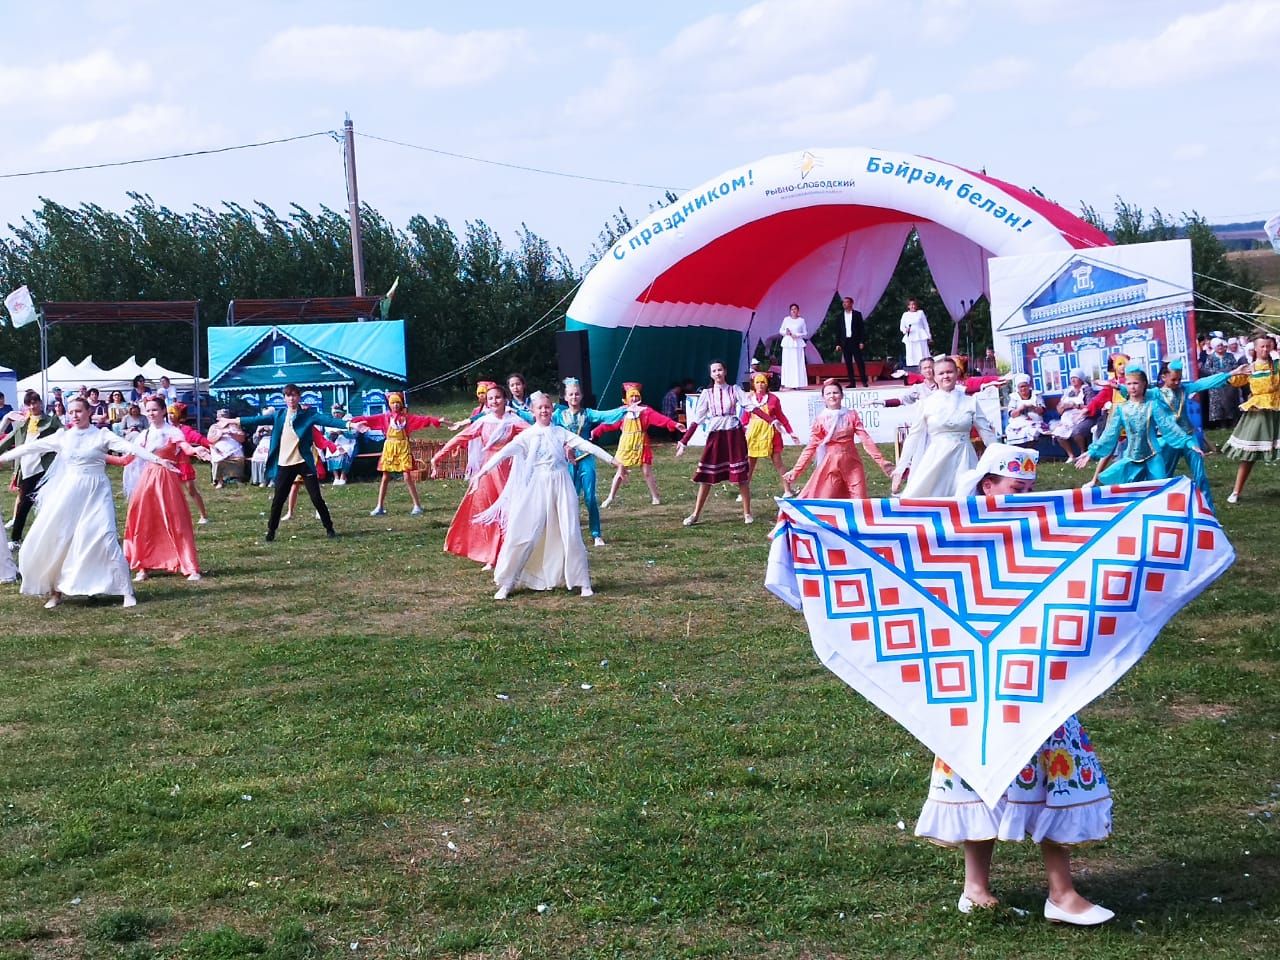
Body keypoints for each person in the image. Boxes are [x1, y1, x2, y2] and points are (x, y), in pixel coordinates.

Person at [915, 443, 1115, 927]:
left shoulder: (1043, 529)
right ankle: (975, 887)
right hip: (980, 680)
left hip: (1039, 673)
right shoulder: (955, 534)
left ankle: (1062, 892)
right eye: (1015, 488)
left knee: (1057, 772)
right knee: (981, 773)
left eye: (1030, 489)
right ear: (988, 486)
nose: (1025, 497)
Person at [0, 396, 179, 608]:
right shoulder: (62, 437)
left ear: (89, 412)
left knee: (106, 537)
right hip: (69, 492)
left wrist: (158, 460)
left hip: (97, 491)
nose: (75, 415)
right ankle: (56, 592)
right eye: (72, 411)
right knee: (61, 539)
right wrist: (3, 457)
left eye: (79, 411)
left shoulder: (101, 435)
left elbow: (129, 447)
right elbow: (30, 448)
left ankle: (126, 591)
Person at [473, 392, 618, 600]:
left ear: (552, 410)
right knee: (525, 532)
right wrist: (481, 473)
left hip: (562, 485)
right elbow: (502, 454)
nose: (544, 411)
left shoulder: (560, 432)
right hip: (538, 486)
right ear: (532, 411)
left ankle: (583, 581)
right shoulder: (527, 436)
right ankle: (508, 582)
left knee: (570, 531)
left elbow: (586, 446)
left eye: (547, 407)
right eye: (540, 408)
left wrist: (613, 461)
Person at [219, 384, 350, 541]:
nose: (291, 398)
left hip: (304, 462)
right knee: (278, 499)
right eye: (288, 395)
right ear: (284, 398)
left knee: (316, 498)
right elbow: (256, 419)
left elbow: (328, 420)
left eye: (294, 395)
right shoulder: (279, 415)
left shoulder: (307, 415)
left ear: (299, 397)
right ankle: (271, 531)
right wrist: (231, 421)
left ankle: (329, 528)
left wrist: (350, 424)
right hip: (285, 464)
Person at [431, 383, 528, 568]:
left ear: (505, 399)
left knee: (507, 512)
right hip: (487, 472)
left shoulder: (513, 421)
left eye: (498, 397)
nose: (494, 401)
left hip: (507, 470)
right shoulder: (483, 422)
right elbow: (461, 437)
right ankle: (491, 555)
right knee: (486, 511)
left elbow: (534, 433)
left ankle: (506, 554)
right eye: (491, 398)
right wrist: (439, 455)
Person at [122, 397, 210, 582]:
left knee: (177, 521)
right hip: (146, 482)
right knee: (142, 521)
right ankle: (143, 566)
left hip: (167, 480)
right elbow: (128, 459)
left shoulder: (172, 431)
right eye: (149, 410)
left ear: (163, 411)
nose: (151, 413)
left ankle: (190, 566)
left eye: (155, 410)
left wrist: (197, 450)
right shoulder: (144, 435)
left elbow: (185, 448)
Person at [1074, 363, 1199, 485]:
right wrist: (1091, 452)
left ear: (1144, 384)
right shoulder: (1121, 409)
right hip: (1131, 457)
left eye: (1135, 383)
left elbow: (1168, 426)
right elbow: (1109, 434)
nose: (1132, 387)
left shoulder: (1152, 405)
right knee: (1131, 493)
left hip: (1153, 455)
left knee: (1160, 488)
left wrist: (1188, 441)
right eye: (1129, 384)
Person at [892, 357, 998, 497]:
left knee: (966, 499)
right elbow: (913, 437)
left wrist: (1000, 458)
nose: (946, 376)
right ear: (935, 377)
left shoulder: (970, 402)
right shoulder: (926, 404)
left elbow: (986, 433)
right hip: (936, 459)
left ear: (956, 373)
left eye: (949, 372)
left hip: (964, 458)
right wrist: (900, 470)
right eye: (941, 373)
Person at [676, 360, 754, 525]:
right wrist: (684, 441)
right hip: (716, 436)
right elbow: (698, 419)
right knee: (707, 476)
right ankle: (695, 514)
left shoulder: (735, 390)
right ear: (711, 374)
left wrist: (771, 421)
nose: (718, 373)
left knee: (741, 477)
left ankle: (747, 513)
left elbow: (751, 407)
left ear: (725, 371)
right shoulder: (707, 394)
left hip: (733, 435)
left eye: (720, 370)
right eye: (714, 371)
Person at [783, 379, 891, 498]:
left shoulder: (851, 415)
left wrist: (881, 461)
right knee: (826, 501)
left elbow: (866, 439)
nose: (832, 396)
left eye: (835, 393)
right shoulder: (821, 420)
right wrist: (796, 470)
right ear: (823, 398)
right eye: (828, 394)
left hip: (852, 463)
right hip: (831, 464)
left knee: (859, 500)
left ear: (842, 395)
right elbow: (811, 448)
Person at [551, 378, 626, 547]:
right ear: (565, 396)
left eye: (577, 394)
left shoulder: (588, 413)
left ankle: (596, 534)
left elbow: (606, 415)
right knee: (569, 499)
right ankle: (569, 534)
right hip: (568, 462)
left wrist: (624, 410)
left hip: (586, 460)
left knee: (590, 497)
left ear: (581, 395)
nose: (574, 397)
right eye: (571, 394)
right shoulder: (558, 416)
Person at [349, 392, 449, 516]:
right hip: (390, 448)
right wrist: (351, 421)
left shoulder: (406, 418)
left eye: (397, 403)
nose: (395, 405)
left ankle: (417, 505)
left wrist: (437, 420)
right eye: (393, 403)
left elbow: (423, 420)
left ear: (401, 404)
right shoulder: (384, 418)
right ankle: (379, 506)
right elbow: (368, 420)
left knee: (407, 476)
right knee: (385, 477)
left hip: (403, 447)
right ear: (389, 405)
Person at [593, 382, 682, 510]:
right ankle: (610, 497)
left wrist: (674, 424)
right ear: (627, 398)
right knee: (620, 470)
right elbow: (608, 424)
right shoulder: (622, 412)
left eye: (636, 396)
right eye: (632, 396)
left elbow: (660, 419)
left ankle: (655, 496)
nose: (634, 399)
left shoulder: (645, 411)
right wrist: (595, 432)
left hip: (641, 444)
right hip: (626, 445)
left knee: (647, 471)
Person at [1224, 333, 1280, 504]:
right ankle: (1236, 491)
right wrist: (1235, 373)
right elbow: (1233, 380)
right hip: (1258, 411)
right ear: (1255, 348)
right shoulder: (1251, 367)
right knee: (1248, 454)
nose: (1265, 349)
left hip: (1277, 408)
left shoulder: (1276, 365)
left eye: (1268, 346)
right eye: (1261, 346)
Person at [0, 391, 61, 545]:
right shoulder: (22, 423)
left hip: (45, 469)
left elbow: (65, 435)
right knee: (23, 506)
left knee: (48, 505)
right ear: (26, 406)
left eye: (35, 402)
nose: (33, 406)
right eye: (30, 403)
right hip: (26, 469)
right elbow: (8, 440)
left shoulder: (51, 420)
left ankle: (51, 540)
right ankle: (15, 539)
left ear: (40, 403)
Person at [739, 371, 798, 497]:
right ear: (753, 385)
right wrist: (741, 433)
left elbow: (781, 416)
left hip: (771, 434)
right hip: (754, 434)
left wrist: (790, 432)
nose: (760, 385)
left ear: (767, 384)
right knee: (750, 464)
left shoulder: (773, 399)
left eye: (763, 382)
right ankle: (743, 493)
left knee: (778, 462)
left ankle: (787, 490)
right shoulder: (749, 399)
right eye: (757, 382)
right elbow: (744, 419)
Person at [168, 403, 210, 525]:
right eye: (169, 413)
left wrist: (211, 445)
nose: (170, 416)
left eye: (173, 413)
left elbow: (199, 439)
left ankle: (203, 515)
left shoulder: (185, 430)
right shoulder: (165, 429)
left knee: (191, 490)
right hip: (169, 464)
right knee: (171, 492)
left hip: (183, 463)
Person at [1050, 370, 1094, 460]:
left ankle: (1083, 452)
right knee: (1058, 433)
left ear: (1081, 379)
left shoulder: (1087, 390)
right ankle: (1071, 455)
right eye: (1071, 378)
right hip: (1067, 419)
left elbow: (1091, 407)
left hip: (1083, 417)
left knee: (1077, 432)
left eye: (1075, 378)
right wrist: (1062, 407)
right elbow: (1059, 409)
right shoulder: (1068, 391)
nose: (1073, 380)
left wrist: (1074, 405)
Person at [1203, 337, 1240, 428]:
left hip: (1228, 382)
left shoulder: (1230, 356)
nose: (1220, 347)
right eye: (1218, 346)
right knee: (1218, 404)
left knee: (1229, 402)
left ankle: (1231, 422)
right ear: (1214, 347)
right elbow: (1206, 369)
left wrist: (1227, 372)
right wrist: (1218, 372)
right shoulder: (1210, 357)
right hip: (1216, 383)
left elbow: (1235, 366)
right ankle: (1221, 424)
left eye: (1221, 345)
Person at [206, 411, 247, 489]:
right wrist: (219, 434)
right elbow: (210, 440)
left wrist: (231, 434)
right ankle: (219, 481)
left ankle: (236, 479)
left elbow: (242, 439)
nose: (223, 418)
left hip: (234, 449)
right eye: (221, 417)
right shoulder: (214, 427)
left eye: (225, 416)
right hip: (219, 449)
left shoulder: (234, 426)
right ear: (218, 418)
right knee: (218, 460)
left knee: (239, 458)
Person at [1004, 374, 1046, 447]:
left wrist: (1033, 407)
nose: (1023, 389)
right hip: (1018, 423)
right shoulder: (1014, 397)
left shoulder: (1036, 395)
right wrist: (1020, 408)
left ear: (1029, 386)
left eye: (1025, 386)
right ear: (1017, 388)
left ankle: (1029, 453)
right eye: (1021, 387)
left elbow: (1042, 411)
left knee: (1031, 431)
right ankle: (1021, 453)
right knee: (1012, 431)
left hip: (1035, 421)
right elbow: (1012, 414)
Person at [837, 296, 868, 387]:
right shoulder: (840, 316)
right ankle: (852, 382)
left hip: (855, 341)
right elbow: (838, 331)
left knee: (859, 362)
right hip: (845, 342)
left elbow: (861, 329)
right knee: (848, 363)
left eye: (847, 302)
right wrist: (838, 343)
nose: (844, 304)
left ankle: (864, 381)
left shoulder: (857, 314)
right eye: (844, 302)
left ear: (851, 303)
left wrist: (861, 341)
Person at [779, 303, 809, 390]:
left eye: (795, 309)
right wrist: (786, 333)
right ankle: (787, 383)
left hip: (797, 343)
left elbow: (805, 333)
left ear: (798, 311)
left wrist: (797, 335)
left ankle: (798, 383)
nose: (793, 311)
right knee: (788, 363)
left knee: (797, 363)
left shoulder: (801, 320)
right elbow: (781, 330)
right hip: (788, 343)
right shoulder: (786, 319)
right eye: (792, 309)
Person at [900, 298, 932, 370]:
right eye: (911, 305)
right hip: (910, 337)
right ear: (908, 306)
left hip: (920, 336)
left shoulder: (920, 313)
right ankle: (912, 370)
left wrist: (929, 336)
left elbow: (926, 325)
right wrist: (906, 330)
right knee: (911, 354)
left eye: (914, 304)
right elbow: (902, 327)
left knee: (922, 352)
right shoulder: (905, 315)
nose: (913, 306)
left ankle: (924, 368)